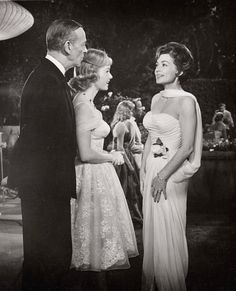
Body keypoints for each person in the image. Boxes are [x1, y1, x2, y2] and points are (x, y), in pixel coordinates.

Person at [7, 19, 87, 291]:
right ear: (67, 45)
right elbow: (39, 142)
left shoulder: (49, 78)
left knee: (49, 263)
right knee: (47, 264)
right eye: (83, 44)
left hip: (46, 188)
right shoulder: (47, 81)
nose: (85, 50)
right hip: (45, 191)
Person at [69, 49, 138, 277]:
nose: (110, 76)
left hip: (96, 174)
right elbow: (85, 153)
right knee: (91, 244)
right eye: (107, 71)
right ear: (91, 73)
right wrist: (112, 156)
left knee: (98, 242)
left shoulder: (85, 102)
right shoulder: (84, 106)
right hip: (90, 175)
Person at [141, 42, 202, 291]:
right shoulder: (156, 98)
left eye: (164, 64)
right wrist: (145, 168)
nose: (158, 68)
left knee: (169, 234)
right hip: (153, 172)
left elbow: (187, 147)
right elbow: (152, 137)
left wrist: (163, 175)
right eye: (157, 64)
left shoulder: (187, 101)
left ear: (180, 70)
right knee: (153, 235)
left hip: (171, 175)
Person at [111, 100, 143, 225]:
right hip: (124, 159)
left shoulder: (126, 123)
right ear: (124, 111)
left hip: (128, 156)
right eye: (130, 110)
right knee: (128, 187)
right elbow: (120, 148)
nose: (132, 112)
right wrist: (130, 166)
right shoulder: (121, 126)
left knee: (133, 187)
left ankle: (137, 217)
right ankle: (133, 218)